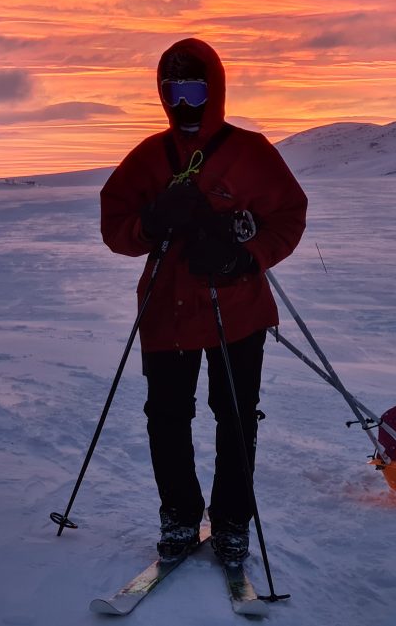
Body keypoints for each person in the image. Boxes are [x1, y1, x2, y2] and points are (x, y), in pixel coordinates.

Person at [99, 37, 307, 567]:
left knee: (236, 418)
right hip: (165, 312)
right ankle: (179, 516)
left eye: (194, 88)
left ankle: (233, 521)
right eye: (173, 91)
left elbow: (289, 216)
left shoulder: (251, 153)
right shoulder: (149, 158)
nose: (184, 102)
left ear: (214, 89)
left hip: (236, 310)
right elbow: (115, 226)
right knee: (165, 417)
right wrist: (151, 220)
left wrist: (245, 256)